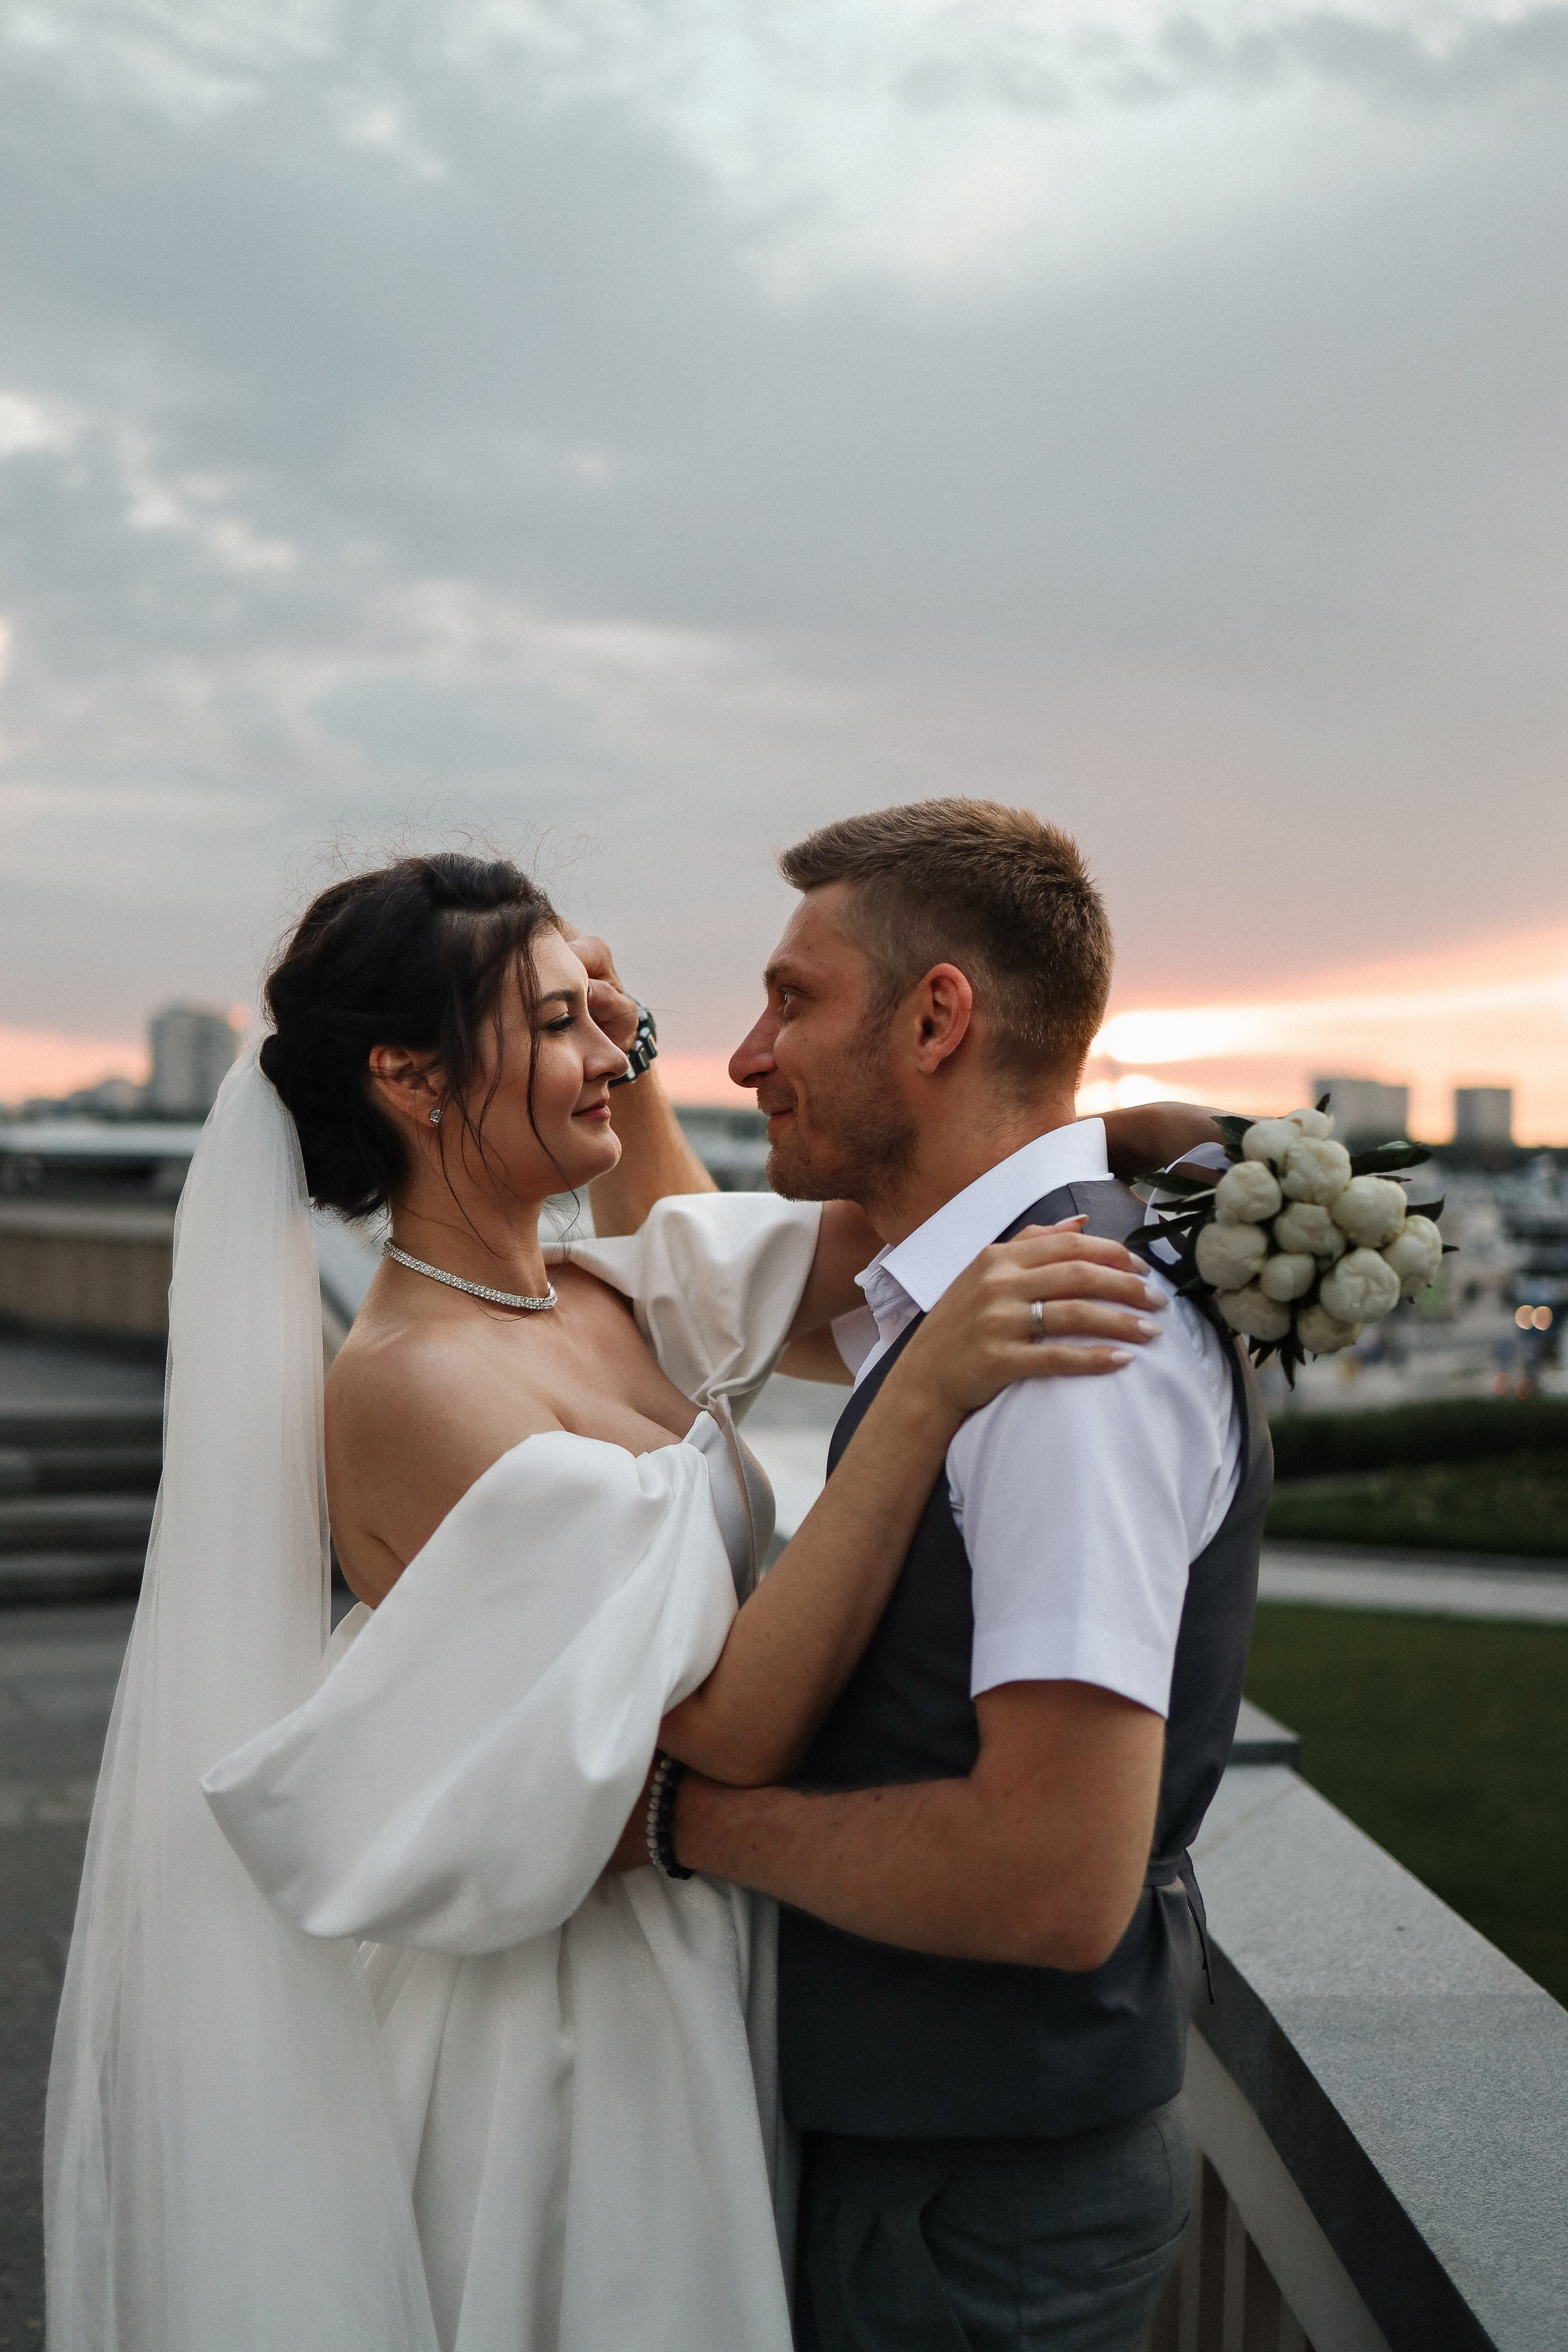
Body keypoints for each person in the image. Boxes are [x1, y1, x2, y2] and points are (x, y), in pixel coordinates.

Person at [44, 850, 1210, 2352]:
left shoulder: (606, 1293)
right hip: (571, 2045)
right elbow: (721, 1723)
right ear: (409, 1077)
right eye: (555, 1026)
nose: (612, 1054)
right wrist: (920, 1401)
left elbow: (909, 1238)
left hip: (706, 1975)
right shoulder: (410, 1387)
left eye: (608, 1022)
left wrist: (1139, 1135)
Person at [646, 800, 1271, 2352]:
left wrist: (678, 1822)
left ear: (936, 1019)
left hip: (970, 2216)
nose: (743, 1056)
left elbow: (1050, 1879)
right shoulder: (970, 1292)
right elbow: (698, 1274)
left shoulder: (1066, 1349)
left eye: (794, 999)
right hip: (946, 2172)